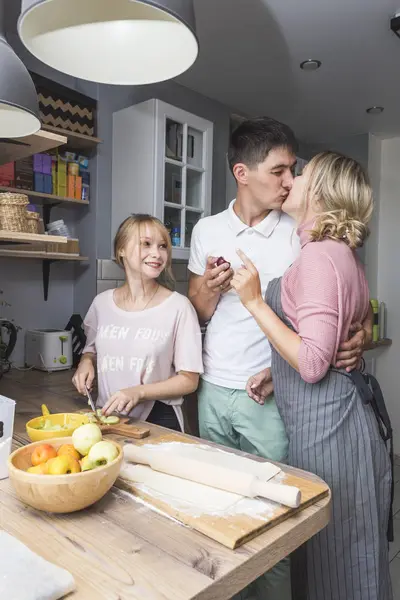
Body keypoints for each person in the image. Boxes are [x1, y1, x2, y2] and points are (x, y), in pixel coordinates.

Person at [188, 117, 370, 599]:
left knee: (276, 523)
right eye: (279, 171)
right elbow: (196, 309)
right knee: (222, 513)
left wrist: (357, 338)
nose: (289, 181)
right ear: (243, 173)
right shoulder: (207, 230)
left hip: (273, 395)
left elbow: (346, 306)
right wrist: (207, 288)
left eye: (295, 171)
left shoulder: (303, 232)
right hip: (214, 386)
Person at [231, 151, 392, 600]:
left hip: (332, 434)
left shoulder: (320, 257)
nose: (292, 180)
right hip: (338, 424)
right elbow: (319, 338)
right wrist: (275, 371)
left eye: (301, 173)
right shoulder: (339, 254)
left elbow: (313, 363)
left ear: (319, 191)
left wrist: (254, 301)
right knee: (348, 559)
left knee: (338, 563)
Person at [73, 214, 203, 431]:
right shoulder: (101, 304)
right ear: (121, 250)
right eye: (146, 244)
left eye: (162, 246)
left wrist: (138, 392)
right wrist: (85, 361)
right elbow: (91, 349)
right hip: (107, 418)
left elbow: (189, 380)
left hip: (159, 419)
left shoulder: (179, 307)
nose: (157, 254)